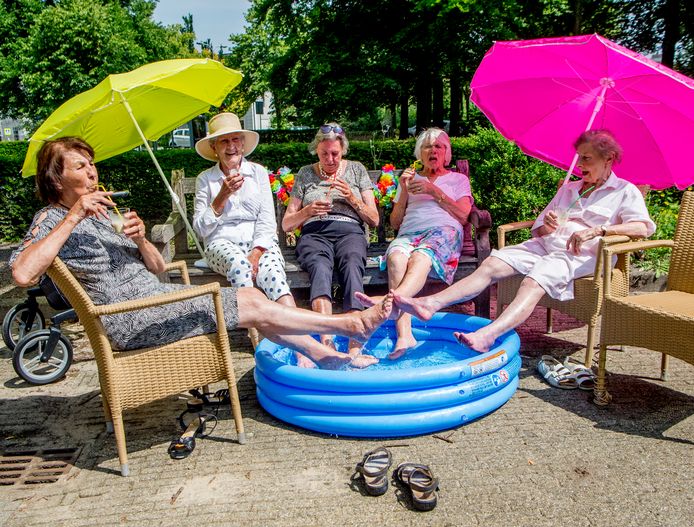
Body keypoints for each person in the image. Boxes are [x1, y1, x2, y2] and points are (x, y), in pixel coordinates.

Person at [10, 137, 393, 370]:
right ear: (56, 178)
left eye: (92, 164)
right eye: (81, 166)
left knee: (251, 298)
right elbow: (23, 273)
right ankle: (347, 326)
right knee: (248, 299)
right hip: (131, 318)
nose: (93, 172)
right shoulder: (52, 218)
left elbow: (159, 268)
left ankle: (325, 356)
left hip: (156, 298)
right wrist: (74, 215)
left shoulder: (101, 214)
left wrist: (142, 240)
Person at [365, 129, 655, 353]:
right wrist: (548, 224)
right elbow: (538, 229)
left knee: (533, 281)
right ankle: (430, 303)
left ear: (609, 160)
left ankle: (487, 335)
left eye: (586, 159)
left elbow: (643, 228)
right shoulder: (571, 188)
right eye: (578, 157)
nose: (579, 164)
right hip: (545, 246)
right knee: (492, 263)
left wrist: (598, 231)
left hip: (580, 255)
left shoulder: (624, 191)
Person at [356, 128, 473, 359]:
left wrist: (434, 191)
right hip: (410, 233)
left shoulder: (458, 179)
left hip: (443, 232)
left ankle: (389, 302)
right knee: (397, 257)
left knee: (421, 255)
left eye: (439, 146)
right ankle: (405, 335)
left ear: (446, 153)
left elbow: (463, 215)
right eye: (428, 146)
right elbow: (396, 222)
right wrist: (404, 191)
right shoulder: (409, 179)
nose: (433, 151)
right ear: (420, 152)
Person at [281, 123, 379, 356]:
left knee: (353, 261)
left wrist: (352, 198)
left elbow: (374, 219)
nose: (330, 159)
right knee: (319, 266)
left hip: (349, 231)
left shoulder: (356, 170)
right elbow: (287, 224)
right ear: (316, 150)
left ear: (343, 150)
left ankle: (355, 342)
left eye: (335, 153)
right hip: (315, 233)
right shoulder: (306, 173)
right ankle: (327, 342)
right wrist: (308, 211)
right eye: (324, 153)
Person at [193, 113, 295, 307]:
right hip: (221, 243)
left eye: (235, 140)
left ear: (242, 144)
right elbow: (201, 229)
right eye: (224, 141)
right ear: (214, 147)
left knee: (274, 275)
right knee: (240, 266)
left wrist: (256, 254)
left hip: (260, 243)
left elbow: (267, 220)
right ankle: (255, 333)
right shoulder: (205, 179)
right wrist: (222, 195)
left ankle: (300, 330)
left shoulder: (258, 172)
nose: (231, 146)